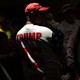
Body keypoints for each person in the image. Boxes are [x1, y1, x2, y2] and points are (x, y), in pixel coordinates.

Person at [16, 2, 62, 80]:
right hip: (50, 75)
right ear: (34, 15)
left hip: (30, 76)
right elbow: (59, 52)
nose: (43, 16)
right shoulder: (46, 31)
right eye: (41, 14)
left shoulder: (18, 34)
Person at [56, 4, 80, 80]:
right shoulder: (59, 27)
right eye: (67, 12)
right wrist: (62, 62)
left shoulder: (79, 23)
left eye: (71, 12)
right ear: (64, 14)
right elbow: (59, 46)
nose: (70, 14)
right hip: (68, 57)